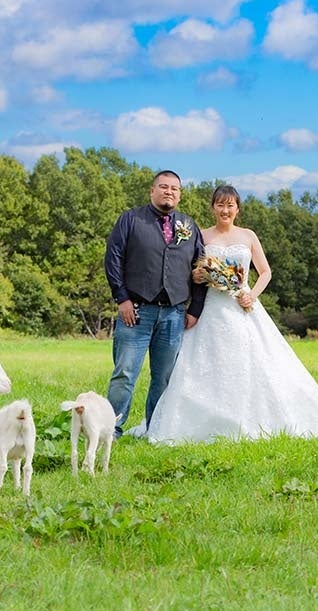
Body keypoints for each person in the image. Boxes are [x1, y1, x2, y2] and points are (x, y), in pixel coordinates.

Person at [143, 184, 318, 444]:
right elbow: (189, 272)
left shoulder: (248, 236)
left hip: (242, 306)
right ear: (212, 207)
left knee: (256, 361)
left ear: (237, 208)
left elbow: (265, 272)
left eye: (230, 205)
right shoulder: (200, 236)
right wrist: (197, 275)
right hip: (211, 309)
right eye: (220, 205)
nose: (225, 210)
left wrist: (252, 294)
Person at [104, 170, 207, 438]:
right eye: (163, 186)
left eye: (174, 188)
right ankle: (110, 429)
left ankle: (156, 429)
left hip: (174, 314)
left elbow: (201, 269)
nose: (169, 192)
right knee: (125, 374)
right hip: (136, 312)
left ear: (180, 194)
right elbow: (113, 258)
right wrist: (122, 298)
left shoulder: (189, 226)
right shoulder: (130, 219)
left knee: (163, 378)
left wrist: (194, 309)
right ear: (152, 191)